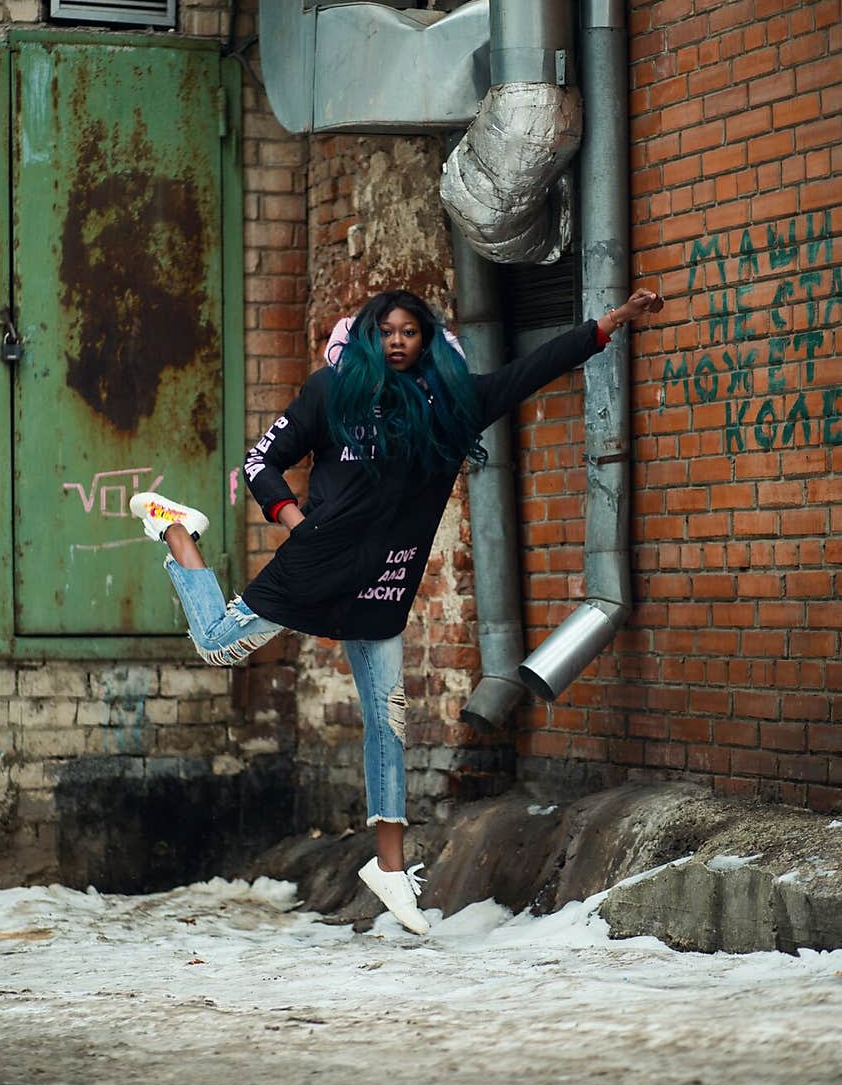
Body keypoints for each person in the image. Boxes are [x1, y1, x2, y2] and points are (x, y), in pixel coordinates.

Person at [130, 285, 663, 935]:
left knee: (388, 721)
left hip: (383, 584)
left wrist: (608, 324)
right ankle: (178, 531)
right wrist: (297, 523)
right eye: (387, 331)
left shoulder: (451, 410)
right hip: (316, 567)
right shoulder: (332, 393)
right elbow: (263, 463)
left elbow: (532, 370)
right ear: (368, 338)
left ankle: (389, 866)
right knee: (217, 644)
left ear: (427, 339)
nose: (399, 340)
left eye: (411, 330)